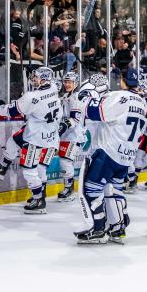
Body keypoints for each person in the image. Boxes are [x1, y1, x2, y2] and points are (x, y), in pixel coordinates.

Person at [75, 68, 147, 245]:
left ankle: (98, 228)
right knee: (114, 190)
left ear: (123, 80)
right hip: (127, 155)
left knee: (91, 189)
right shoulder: (143, 103)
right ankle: (118, 227)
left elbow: (96, 112)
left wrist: (86, 96)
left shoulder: (119, 97)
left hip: (109, 152)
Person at [0, 67, 61, 214]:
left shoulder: (32, 97)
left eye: (37, 78)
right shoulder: (53, 88)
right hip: (49, 134)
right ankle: (2, 167)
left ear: (44, 80)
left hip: (36, 139)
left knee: (30, 171)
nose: (34, 80)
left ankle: (39, 200)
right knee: (13, 141)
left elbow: (12, 111)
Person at [56, 71, 85, 202]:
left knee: (65, 161)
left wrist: (62, 126)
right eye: (65, 81)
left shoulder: (76, 97)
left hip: (74, 136)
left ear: (75, 83)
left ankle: (69, 188)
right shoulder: (66, 96)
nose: (67, 84)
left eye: (70, 82)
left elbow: (75, 119)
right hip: (67, 136)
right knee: (65, 161)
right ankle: (69, 187)